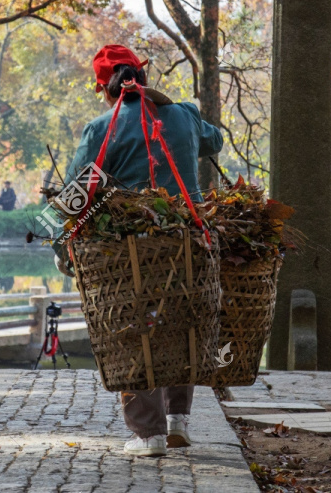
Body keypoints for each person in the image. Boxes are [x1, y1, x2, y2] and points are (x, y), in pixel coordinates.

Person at [53, 45, 224, 458]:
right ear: (143, 79)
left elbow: (77, 193)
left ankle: (150, 435)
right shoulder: (182, 114)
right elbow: (213, 140)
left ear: (105, 89)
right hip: (187, 239)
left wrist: (61, 243)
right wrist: (178, 111)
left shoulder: (101, 130)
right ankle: (179, 419)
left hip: (129, 247)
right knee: (182, 319)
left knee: (133, 330)